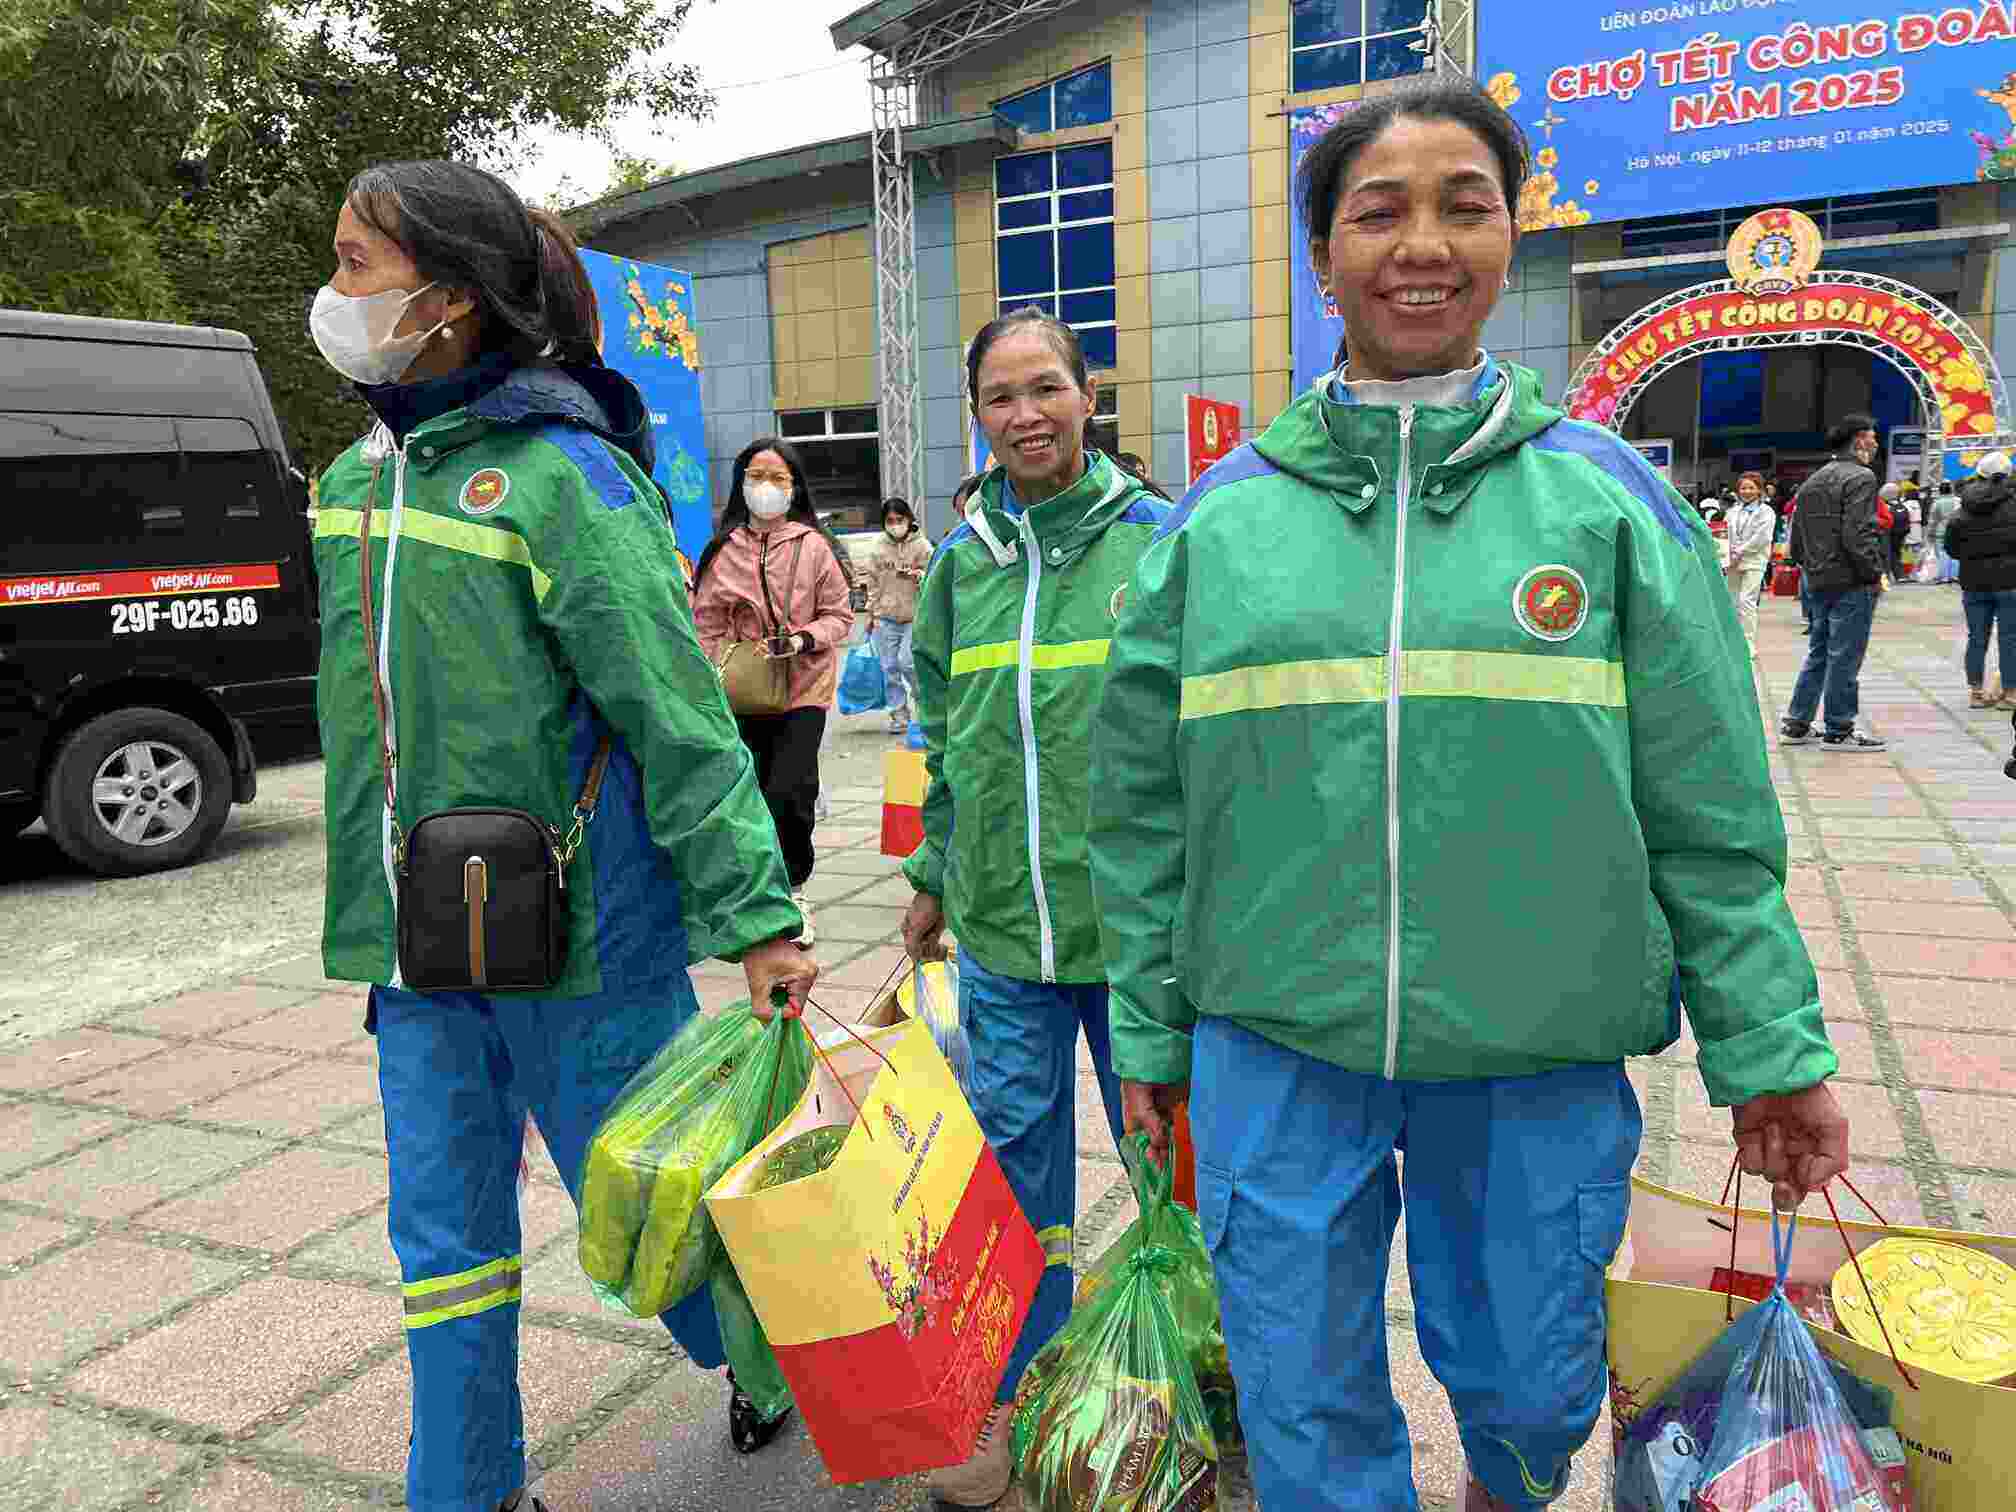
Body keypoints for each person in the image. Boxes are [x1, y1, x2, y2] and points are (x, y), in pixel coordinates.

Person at [1086, 79, 1848, 1512]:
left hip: (1538, 1049)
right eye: (1378, 211)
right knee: (1298, 1378)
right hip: (1274, 1039)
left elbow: (1713, 815)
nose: (1420, 243)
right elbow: (1138, 810)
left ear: (1512, 236)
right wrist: (1146, 1018)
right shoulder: (1217, 525)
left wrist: (1770, 1043)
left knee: (1531, 1378)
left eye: (1464, 206)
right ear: (1323, 256)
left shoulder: (1612, 507)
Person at [307, 160, 819, 1512]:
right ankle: (470, 1488)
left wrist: (759, 919)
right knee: (445, 1243)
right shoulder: (352, 485)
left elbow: (678, 714)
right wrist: (366, 915)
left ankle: (780, 1365)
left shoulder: (565, 480)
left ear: (452, 300)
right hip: (418, 948)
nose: (336, 292)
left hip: (586, 937)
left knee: (654, 1220)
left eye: (359, 264)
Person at [898, 306, 1170, 1507]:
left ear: (1087, 395)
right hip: (1002, 928)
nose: (1026, 414)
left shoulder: (1163, 544)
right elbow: (942, 742)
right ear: (979, 416)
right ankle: (1026, 1387)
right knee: (1011, 1176)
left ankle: (1182, 1393)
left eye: (1045, 388)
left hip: (1139, 939)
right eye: (1002, 396)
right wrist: (925, 880)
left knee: (1174, 1167)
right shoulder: (961, 569)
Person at [691, 439, 855, 945]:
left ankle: (795, 890)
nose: (766, 487)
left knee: (791, 791)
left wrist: (804, 638)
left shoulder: (813, 545)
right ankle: (756, 892)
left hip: (805, 686)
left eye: (778, 478)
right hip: (743, 687)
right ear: (741, 483)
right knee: (751, 794)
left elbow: (840, 615)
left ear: (794, 487)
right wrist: (721, 661)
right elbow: (705, 620)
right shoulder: (723, 550)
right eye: (756, 476)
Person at [1782, 414, 1889, 752]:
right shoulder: (1861, 477)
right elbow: (1858, 534)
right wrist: (1874, 573)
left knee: (1819, 652)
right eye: (1872, 437)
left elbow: (1795, 541)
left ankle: (1797, 723)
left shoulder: (1813, 481)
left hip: (1817, 580)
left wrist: (1812, 567)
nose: (1874, 443)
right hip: (1851, 580)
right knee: (1845, 655)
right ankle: (1839, 728)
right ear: (1858, 440)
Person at [1947, 452, 2016, 709]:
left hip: (1973, 581)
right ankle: (2010, 694)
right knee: (2010, 638)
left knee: (1976, 637)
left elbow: (1951, 547)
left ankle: (1976, 692)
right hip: (2010, 581)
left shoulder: (1963, 506)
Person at [863, 496, 931, 732]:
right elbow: (870, 582)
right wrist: (870, 614)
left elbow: (934, 573)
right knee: (889, 668)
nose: (895, 524)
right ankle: (899, 715)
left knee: (908, 663)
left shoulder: (922, 546)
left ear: (909, 518)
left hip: (915, 615)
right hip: (885, 616)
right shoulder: (877, 547)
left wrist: (919, 575)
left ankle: (926, 709)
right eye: (889, 520)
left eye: (899, 519)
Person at [1724, 470, 1776, 650]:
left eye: (1751, 488)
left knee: (1747, 601)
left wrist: (1741, 550)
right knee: (1732, 602)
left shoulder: (1766, 512)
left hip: (1754, 561)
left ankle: (1748, 644)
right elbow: (1725, 533)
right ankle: (1733, 641)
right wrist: (1726, 551)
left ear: (1759, 490)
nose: (1746, 491)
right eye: (1743, 488)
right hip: (1732, 562)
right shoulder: (1732, 511)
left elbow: (1762, 537)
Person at [1931, 479, 1963, 584]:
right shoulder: (1958, 501)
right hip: (1957, 529)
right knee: (1956, 553)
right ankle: (1955, 575)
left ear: (1940, 491)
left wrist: (1930, 532)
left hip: (1941, 530)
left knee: (1942, 553)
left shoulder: (1937, 503)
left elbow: (1933, 520)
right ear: (1951, 489)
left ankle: (1944, 576)